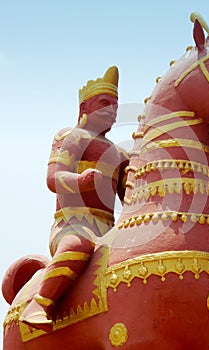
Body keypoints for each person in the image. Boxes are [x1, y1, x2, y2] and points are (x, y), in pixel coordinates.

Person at [19, 66, 129, 332]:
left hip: (108, 230)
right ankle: (40, 304)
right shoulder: (71, 136)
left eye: (115, 105)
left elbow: (129, 200)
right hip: (73, 224)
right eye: (104, 103)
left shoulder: (121, 154)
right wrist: (80, 180)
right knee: (77, 245)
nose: (112, 110)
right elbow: (53, 178)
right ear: (85, 107)